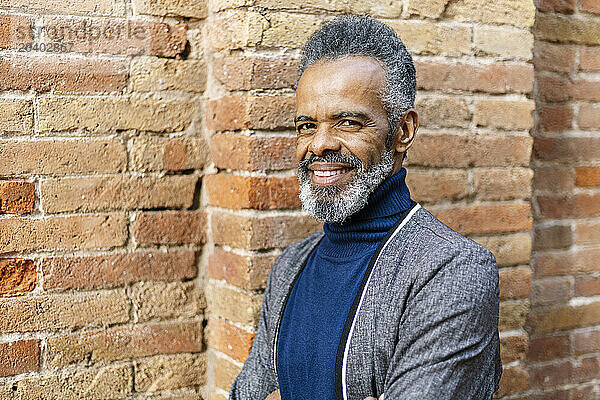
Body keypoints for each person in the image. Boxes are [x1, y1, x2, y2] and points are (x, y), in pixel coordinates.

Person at [229, 15, 502, 400]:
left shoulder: (451, 270)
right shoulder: (291, 266)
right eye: (306, 125)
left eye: (348, 122)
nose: (320, 143)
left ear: (402, 131)